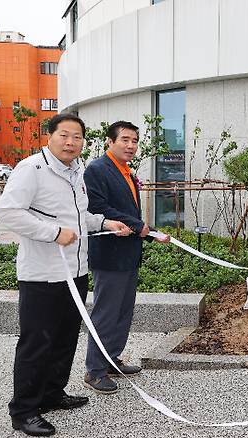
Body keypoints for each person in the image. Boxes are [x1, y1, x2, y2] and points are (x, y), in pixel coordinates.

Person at [0, 114, 131, 436]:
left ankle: (53, 393)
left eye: (77, 137)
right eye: (64, 135)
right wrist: (53, 232)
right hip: (42, 275)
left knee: (65, 339)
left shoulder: (77, 171)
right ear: (50, 136)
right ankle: (24, 410)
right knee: (36, 343)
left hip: (76, 270)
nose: (70, 142)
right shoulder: (31, 169)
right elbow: (8, 212)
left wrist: (104, 223)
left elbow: (78, 214)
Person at [83, 121, 170, 394]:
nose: (131, 146)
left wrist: (150, 232)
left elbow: (128, 211)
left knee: (123, 312)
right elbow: (99, 208)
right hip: (109, 254)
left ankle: (111, 360)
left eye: (134, 141)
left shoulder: (126, 171)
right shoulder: (97, 169)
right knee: (106, 313)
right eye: (125, 140)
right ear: (110, 141)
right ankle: (94, 371)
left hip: (129, 253)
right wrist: (141, 227)